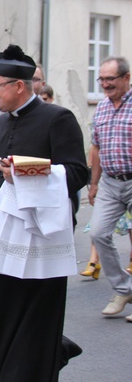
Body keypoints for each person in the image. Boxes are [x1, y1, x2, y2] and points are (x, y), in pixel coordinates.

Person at [0, 44, 87, 381]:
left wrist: (24, 172)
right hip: (3, 230)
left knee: (32, 313)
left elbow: (77, 173)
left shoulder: (58, 119)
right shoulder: (2, 121)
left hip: (39, 234)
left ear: (18, 86)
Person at [87, 56, 132, 321]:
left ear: (126, 78)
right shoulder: (102, 108)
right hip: (110, 182)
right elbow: (96, 147)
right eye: (101, 79)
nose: (105, 84)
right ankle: (124, 289)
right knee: (98, 233)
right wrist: (93, 183)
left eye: (110, 79)